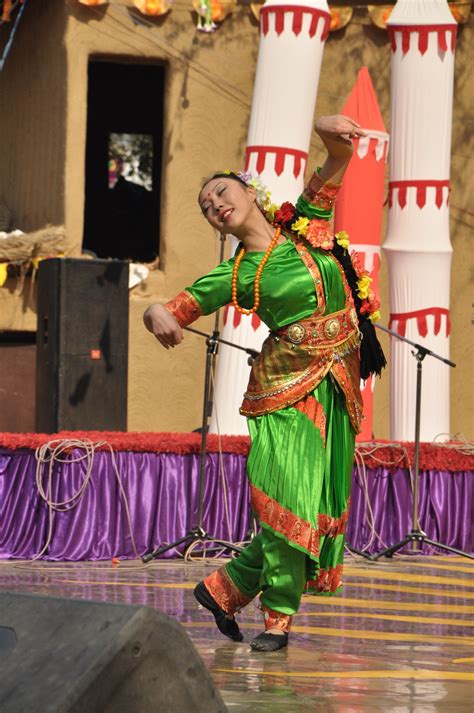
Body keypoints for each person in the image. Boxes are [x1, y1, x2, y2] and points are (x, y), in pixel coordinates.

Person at [143, 115, 386, 652]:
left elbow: (336, 163)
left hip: (338, 383)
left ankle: (223, 589)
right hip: (284, 391)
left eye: (221, 192)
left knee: (315, 504)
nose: (215, 205)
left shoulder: (307, 225)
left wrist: (329, 136)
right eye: (207, 207)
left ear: (250, 192)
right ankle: (278, 618)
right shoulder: (236, 273)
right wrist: (154, 311)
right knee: (290, 500)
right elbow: (178, 305)